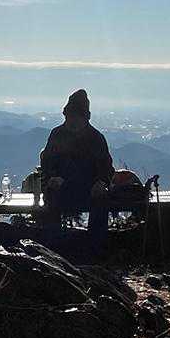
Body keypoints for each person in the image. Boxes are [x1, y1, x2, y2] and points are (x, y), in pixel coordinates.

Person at [39, 89, 114, 245]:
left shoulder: (96, 138)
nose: (72, 121)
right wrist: (51, 179)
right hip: (62, 189)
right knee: (52, 199)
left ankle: (95, 247)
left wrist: (102, 182)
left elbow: (106, 168)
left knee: (102, 201)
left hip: (89, 190)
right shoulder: (57, 135)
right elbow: (46, 163)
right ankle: (55, 246)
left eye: (75, 117)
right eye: (69, 117)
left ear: (85, 118)